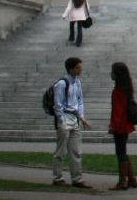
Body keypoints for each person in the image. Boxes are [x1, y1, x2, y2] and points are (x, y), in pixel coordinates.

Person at [52, 57, 91, 188]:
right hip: (65, 118)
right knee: (61, 150)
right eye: (78, 67)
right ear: (71, 69)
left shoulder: (77, 82)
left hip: (75, 119)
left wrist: (82, 117)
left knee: (76, 150)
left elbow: (80, 101)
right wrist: (62, 121)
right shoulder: (62, 84)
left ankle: (77, 178)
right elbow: (58, 105)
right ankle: (57, 177)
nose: (81, 70)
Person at [109, 61, 137, 190]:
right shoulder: (127, 88)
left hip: (120, 126)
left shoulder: (118, 91)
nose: (111, 74)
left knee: (120, 152)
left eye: (113, 72)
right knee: (123, 151)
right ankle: (132, 179)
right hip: (125, 124)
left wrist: (113, 126)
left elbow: (118, 111)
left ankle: (123, 182)